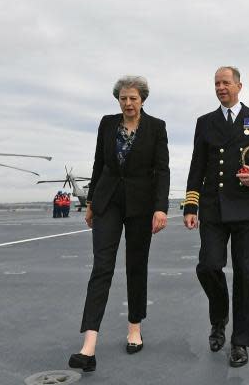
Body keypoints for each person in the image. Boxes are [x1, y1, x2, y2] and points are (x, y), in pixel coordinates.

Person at [69, 76, 170, 373]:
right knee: (102, 267)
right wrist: (90, 204)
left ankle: (134, 328)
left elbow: (162, 169)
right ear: (118, 100)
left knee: (136, 266)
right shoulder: (106, 123)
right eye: (123, 98)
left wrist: (160, 208)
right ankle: (89, 346)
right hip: (108, 201)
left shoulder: (157, 127)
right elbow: (99, 162)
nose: (128, 103)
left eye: (133, 99)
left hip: (141, 205)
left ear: (143, 100)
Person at [183, 66, 249, 368]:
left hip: (247, 207)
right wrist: (191, 205)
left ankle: (240, 342)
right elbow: (197, 164)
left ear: (239, 85)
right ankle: (219, 315)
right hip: (213, 207)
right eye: (216, 83)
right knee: (208, 265)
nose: (220, 87)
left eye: (226, 82)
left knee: (247, 276)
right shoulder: (205, 122)